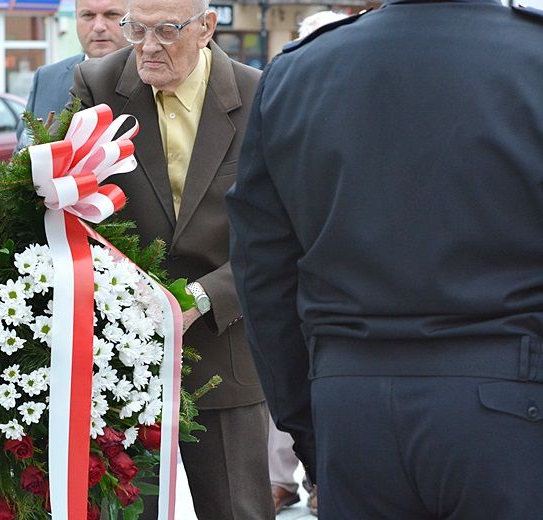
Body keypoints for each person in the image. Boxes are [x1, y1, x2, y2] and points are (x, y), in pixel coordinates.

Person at [227, 0, 543, 518]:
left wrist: (306, 423)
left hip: (352, 404)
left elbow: (262, 271)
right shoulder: (533, 54)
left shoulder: (298, 71)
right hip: (508, 401)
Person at [71, 0, 274, 518]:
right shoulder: (97, 84)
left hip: (224, 346)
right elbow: (63, 202)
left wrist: (203, 298)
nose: (148, 46)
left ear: (207, 27)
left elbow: (283, 232)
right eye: (136, 29)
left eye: (166, 30)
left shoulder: (261, 94)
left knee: (238, 510)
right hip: (119, 354)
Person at [265, 11, 346, 517]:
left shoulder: (359, 96)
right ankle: (282, 477)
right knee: (282, 369)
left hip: (334, 275)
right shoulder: (284, 96)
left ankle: (326, 479)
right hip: (287, 265)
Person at [14, 0, 128, 149]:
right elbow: (21, 157)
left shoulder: (152, 78)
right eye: (88, 15)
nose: (99, 26)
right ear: (76, 18)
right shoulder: (46, 78)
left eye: (112, 15)